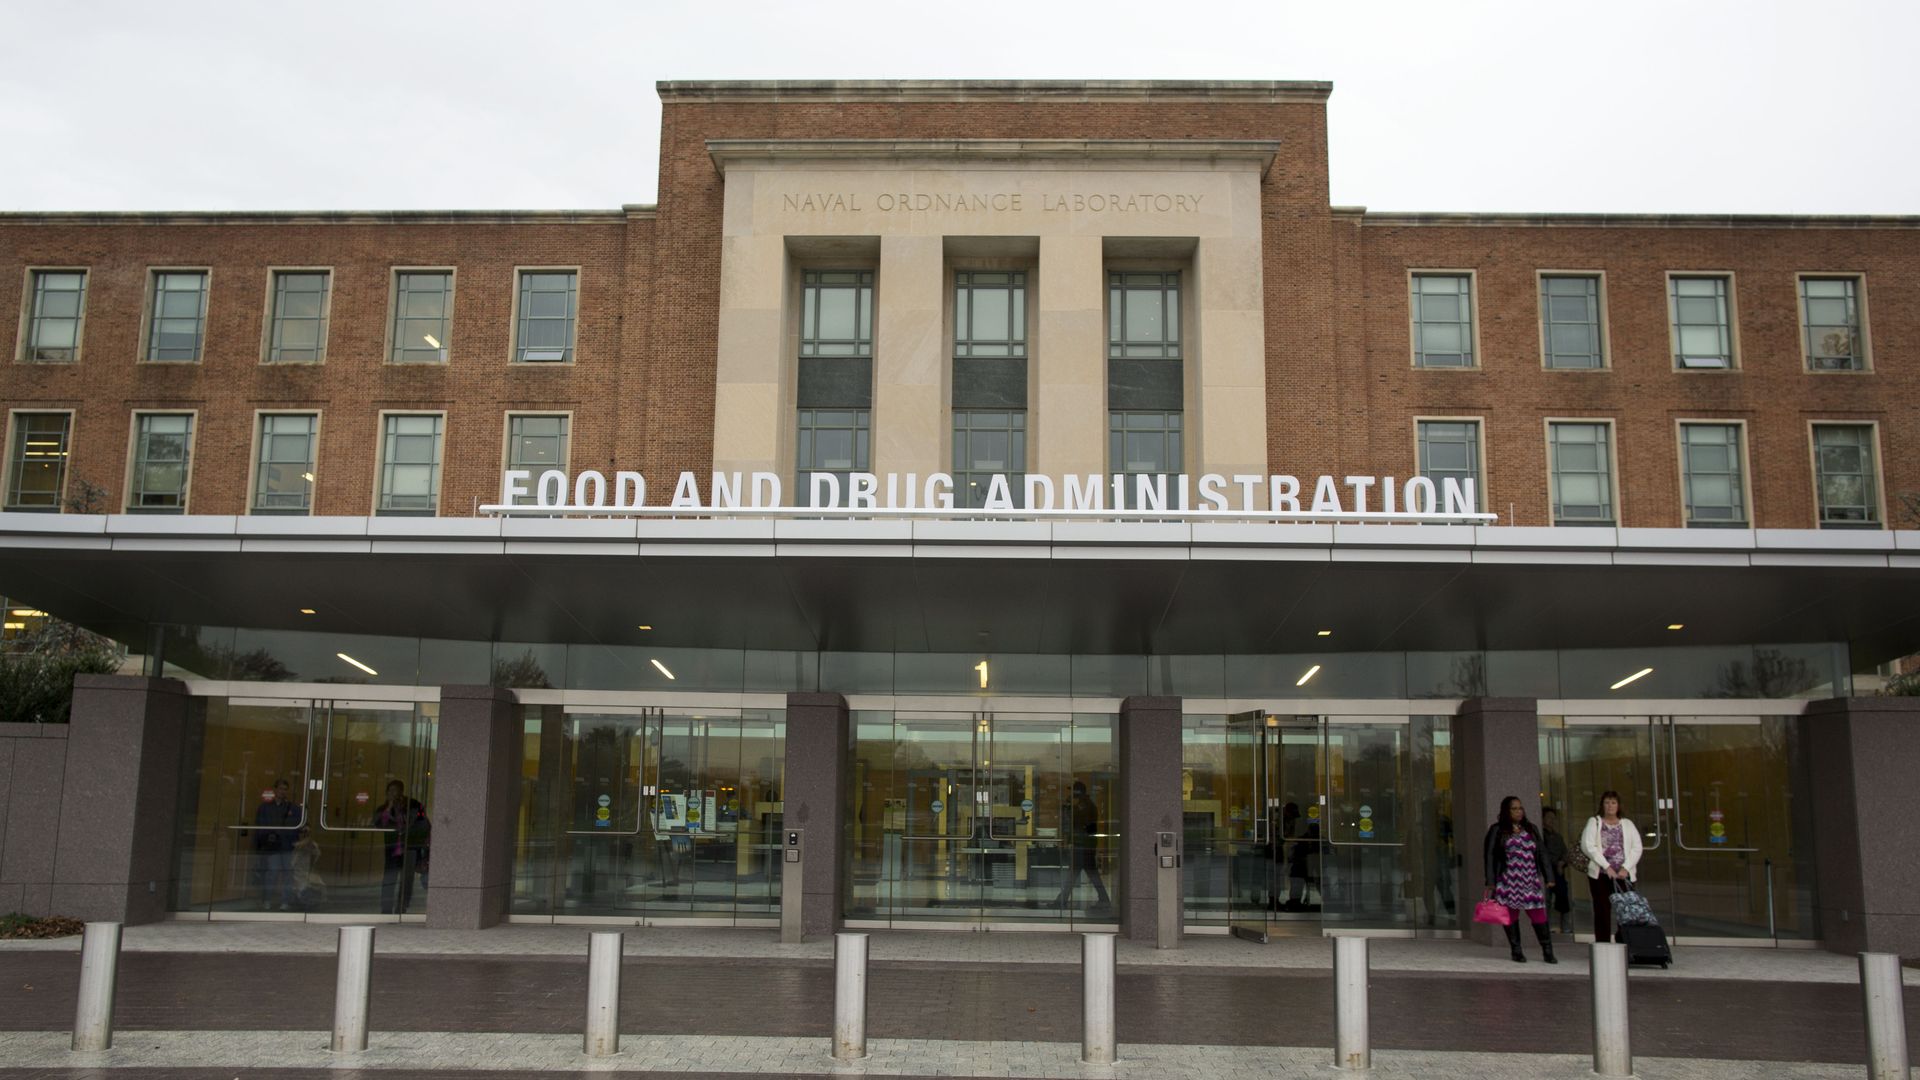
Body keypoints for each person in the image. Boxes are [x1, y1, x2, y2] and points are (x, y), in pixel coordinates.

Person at [1481, 795, 1556, 963]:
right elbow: (1490, 856)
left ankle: (1547, 950)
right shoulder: (1498, 830)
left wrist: (1549, 876)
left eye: (1520, 808)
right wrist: (1491, 881)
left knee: (1538, 915)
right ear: (1506, 811)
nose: (1518, 811)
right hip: (1508, 881)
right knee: (1511, 915)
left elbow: (1542, 853)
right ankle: (1516, 950)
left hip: (1530, 880)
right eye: (1514, 808)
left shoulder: (1531, 828)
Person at [1579, 790, 1644, 944]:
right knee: (1602, 910)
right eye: (1607, 802)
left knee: (1626, 910)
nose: (1610, 806)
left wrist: (1625, 868)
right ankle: (1603, 945)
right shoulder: (1594, 822)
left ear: (1618, 805)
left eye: (1613, 802)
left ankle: (1625, 942)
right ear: (1602, 804)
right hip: (1601, 875)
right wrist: (1606, 866)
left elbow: (1637, 847)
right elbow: (1588, 846)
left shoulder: (1627, 824)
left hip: (1623, 875)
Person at [372, 779, 430, 914]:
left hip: (410, 848)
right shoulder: (384, 808)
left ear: (402, 792)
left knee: (407, 880)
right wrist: (389, 807)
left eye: (396, 791)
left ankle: (402, 907)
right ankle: (386, 909)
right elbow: (378, 823)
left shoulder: (414, 805)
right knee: (389, 879)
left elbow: (423, 823)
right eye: (390, 791)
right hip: (392, 848)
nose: (393, 794)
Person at [1055, 781, 1111, 910]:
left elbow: (1077, 823)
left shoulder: (1085, 806)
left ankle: (1062, 900)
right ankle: (1103, 899)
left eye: (1073, 791)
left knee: (1078, 874)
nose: (1071, 794)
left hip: (1083, 845)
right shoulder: (1084, 805)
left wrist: (1068, 806)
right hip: (1084, 845)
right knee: (1085, 874)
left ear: (1078, 792)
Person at [251, 778, 302, 911]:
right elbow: (260, 827)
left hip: (286, 845)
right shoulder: (265, 807)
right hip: (272, 846)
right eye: (280, 788)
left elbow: (298, 826)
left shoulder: (293, 808)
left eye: (285, 789)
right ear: (275, 790)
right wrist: (259, 846)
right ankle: (267, 899)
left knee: (287, 874)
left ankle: (285, 901)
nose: (282, 791)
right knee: (272, 872)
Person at [1541, 807, 1573, 934]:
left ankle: (1565, 927)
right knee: (1546, 899)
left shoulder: (1558, 836)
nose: (1552, 820)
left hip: (1559, 872)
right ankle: (1546, 926)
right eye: (1549, 817)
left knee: (1563, 898)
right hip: (1547, 871)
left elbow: (1565, 853)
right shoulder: (1541, 835)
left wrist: (1562, 863)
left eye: (1553, 818)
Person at [290, 825, 326, 909]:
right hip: (298, 871)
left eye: (307, 832)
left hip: (309, 870)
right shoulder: (296, 844)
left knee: (320, 884)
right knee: (299, 886)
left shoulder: (312, 844)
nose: (305, 834)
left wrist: (311, 846)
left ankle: (313, 903)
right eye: (303, 832)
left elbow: (317, 854)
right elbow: (292, 862)